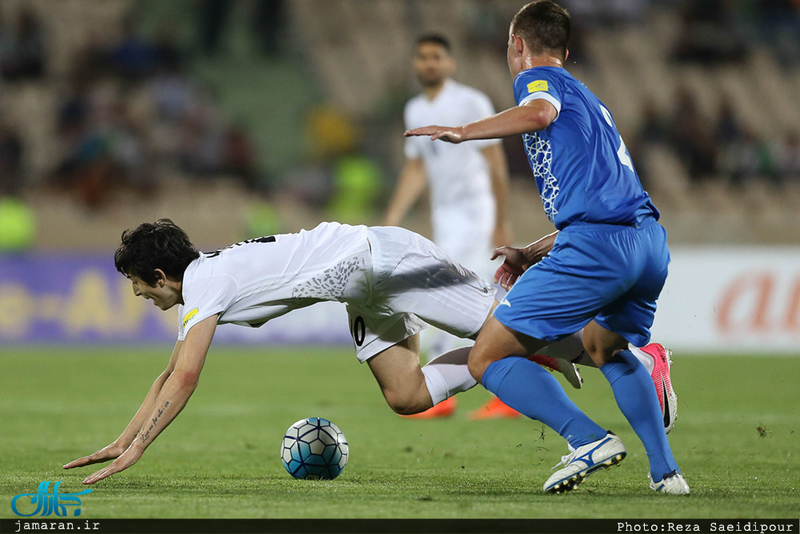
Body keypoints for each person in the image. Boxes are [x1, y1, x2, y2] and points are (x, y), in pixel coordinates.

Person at [62, 219, 589, 484]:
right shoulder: (203, 280)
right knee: (407, 395)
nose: (135, 294)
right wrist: (120, 440)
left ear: (158, 276)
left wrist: (138, 452)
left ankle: (630, 351)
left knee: (512, 324)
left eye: (136, 283)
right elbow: (170, 372)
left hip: (386, 261)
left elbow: (186, 379)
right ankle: (518, 349)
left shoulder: (206, 284)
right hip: (363, 286)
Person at [405, 0, 688, 494]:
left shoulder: (539, 81)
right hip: (645, 241)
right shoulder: (592, 101)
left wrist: (464, 132)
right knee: (605, 347)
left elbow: (537, 112)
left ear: (517, 45)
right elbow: (608, 195)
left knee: (486, 359)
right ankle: (667, 474)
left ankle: (587, 439)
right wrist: (534, 250)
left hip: (598, 247)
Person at [383, 34, 518, 419]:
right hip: (446, 216)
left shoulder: (470, 101)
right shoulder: (413, 110)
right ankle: (486, 392)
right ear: (415, 63)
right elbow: (417, 167)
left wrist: (501, 219)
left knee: (449, 296)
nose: (429, 64)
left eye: (436, 57)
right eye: (423, 57)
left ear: (450, 63)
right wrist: (393, 216)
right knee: (464, 299)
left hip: (476, 211)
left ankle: (484, 392)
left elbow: (496, 162)